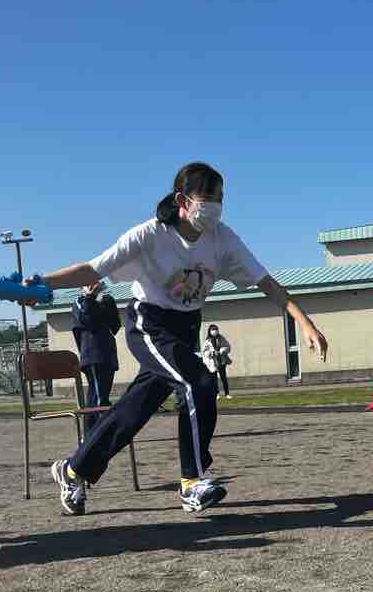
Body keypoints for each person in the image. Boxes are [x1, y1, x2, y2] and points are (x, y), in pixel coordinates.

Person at [32, 162, 327, 514]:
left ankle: (73, 469)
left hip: (186, 328)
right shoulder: (149, 235)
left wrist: (305, 322)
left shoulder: (223, 238)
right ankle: (192, 482)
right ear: (182, 200)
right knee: (198, 382)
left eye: (221, 199)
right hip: (149, 323)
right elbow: (94, 269)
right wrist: (42, 283)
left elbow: (266, 282)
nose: (216, 206)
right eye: (208, 198)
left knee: (133, 411)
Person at [69, 281, 121, 431]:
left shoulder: (106, 300)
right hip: (93, 355)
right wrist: (90, 297)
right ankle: (95, 433)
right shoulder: (80, 301)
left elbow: (115, 325)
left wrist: (104, 302)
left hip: (108, 355)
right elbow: (88, 320)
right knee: (98, 400)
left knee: (100, 397)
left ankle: (92, 433)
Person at [201, 323, 233, 398]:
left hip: (221, 360)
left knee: (223, 378)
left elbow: (228, 347)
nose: (215, 331)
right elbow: (204, 352)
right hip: (213, 362)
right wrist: (211, 353)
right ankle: (217, 394)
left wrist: (221, 351)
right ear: (209, 331)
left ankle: (227, 394)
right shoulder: (207, 340)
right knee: (214, 379)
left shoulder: (221, 338)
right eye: (213, 329)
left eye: (216, 329)